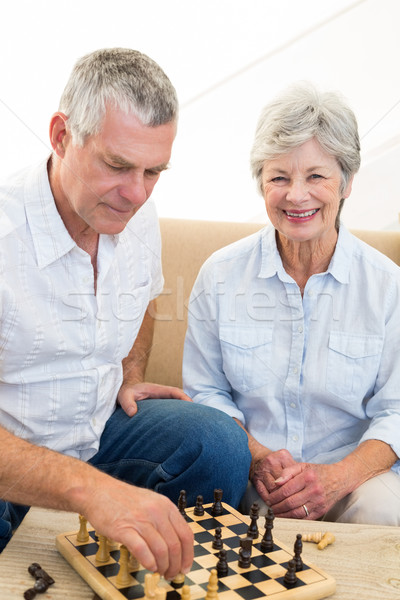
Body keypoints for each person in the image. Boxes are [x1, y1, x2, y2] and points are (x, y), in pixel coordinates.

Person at [0, 48, 251, 573]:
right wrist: (91, 491)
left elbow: (147, 295)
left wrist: (129, 373)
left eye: (153, 171)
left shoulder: (136, 215)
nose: (136, 193)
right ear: (61, 135)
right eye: (117, 165)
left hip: (97, 435)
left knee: (219, 444)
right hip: (11, 468)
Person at [183, 82, 400, 526]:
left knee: (386, 513)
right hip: (252, 475)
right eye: (279, 177)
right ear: (261, 184)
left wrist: (337, 479)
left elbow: (397, 411)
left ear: (347, 182)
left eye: (316, 176)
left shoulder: (388, 286)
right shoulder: (220, 275)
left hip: (355, 478)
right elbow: (205, 393)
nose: (296, 195)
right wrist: (259, 457)